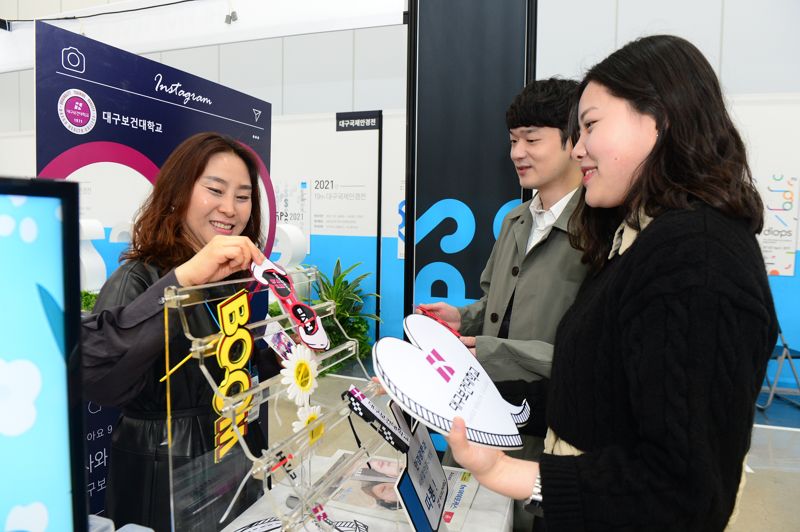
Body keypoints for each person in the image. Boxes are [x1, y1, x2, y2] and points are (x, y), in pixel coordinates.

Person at [446, 35, 778, 531]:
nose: (577, 148)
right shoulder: (639, 239)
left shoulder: (696, 259)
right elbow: (601, 388)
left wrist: (514, 474)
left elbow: (683, 489)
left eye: (590, 126)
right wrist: (492, 406)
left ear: (659, 119)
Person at [81, 132, 282, 531]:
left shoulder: (228, 279)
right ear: (178, 193)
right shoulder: (137, 278)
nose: (230, 208)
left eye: (243, 196)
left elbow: (210, 364)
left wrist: (277, 353)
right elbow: (98, 374)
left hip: (225, 459)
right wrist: (183, 280)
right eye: (215, 190)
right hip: (163, 474)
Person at [419, 79, 586, 452]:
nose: (517, 153)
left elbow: (593, 357)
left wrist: (496, 352)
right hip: (489, 410)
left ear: (572, 141)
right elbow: (495, 303)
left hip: (554, 425)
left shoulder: (598, 232)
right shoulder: (516, 220)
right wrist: (464, 318)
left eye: (531, 139)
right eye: (513, 141)